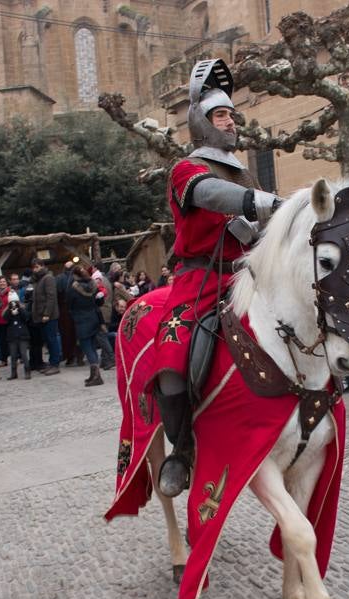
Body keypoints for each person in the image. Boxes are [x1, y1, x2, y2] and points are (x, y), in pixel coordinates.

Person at [153, 58, 282, 498]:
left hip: (247, 274)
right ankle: (182, 449)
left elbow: (260, 227)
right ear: (200, 122)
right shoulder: (186, 169)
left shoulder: (243, 169)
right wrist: (264, 202)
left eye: (230, 115)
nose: (230, 123)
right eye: (220, 115)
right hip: (200, 279)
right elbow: (211, 195)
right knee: (171, 362)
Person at [67, 264, 105, 387]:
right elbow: (100, 301)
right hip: (94, 317)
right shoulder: (93, 285)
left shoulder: (73, 288)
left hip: (82, 320)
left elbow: (70, 304)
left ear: (75, 276)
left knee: (87, 347)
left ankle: (96, 376)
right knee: (92, 346)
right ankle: (93, 374)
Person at [29, 259, 61, 375]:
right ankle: (52, 362)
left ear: (42, 266)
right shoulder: (38, 280)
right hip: (40, 316)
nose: (35, 270)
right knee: (48, 340)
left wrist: (47, 313)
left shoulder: (48, 278)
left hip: (49, 316)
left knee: (52, 340)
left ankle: (55, 364)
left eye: (37, 267)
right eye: (34, 267)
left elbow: (51, 297)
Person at [3, 291, 32, 380]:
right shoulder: (8, 310)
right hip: (12, 336)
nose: (13, 304)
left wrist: (19, 309)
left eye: (15, 302)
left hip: (22, 335)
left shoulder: (22, 308)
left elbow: (26, 317)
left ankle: (27, 371)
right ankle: (13, 373)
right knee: (13, 355)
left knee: (23, 354)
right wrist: (10, 310)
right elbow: (5, 318)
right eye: (12, 302)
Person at [0, 275, 11, 369]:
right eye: (0, 282)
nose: (2, 283)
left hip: (9, 319)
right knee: (2, 341)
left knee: (12, 340)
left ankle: (15, 358)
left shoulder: (10, 292)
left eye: (4, 281)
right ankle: (4, 360)